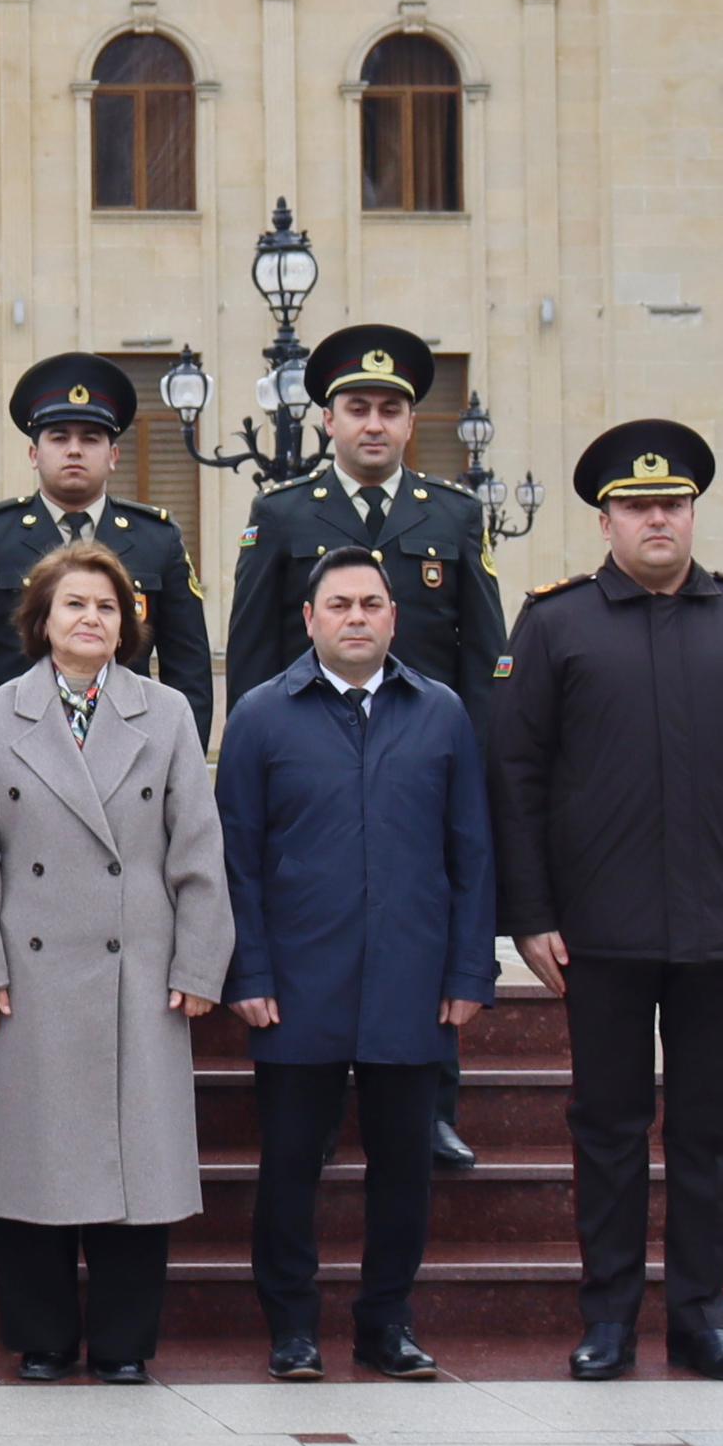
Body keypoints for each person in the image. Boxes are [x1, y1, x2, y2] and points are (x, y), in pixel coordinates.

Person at [491, 421, 723, 1386]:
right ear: (605, 521)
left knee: (710, 1130)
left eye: (671, 505)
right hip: (596, 929)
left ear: (692, 515)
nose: (656, 519)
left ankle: (700, 1318)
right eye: (637, 506)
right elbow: (514, 776)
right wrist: (530, 914)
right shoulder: (555, 624)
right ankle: (607, 1319)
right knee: (606, 1127)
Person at [220, 323, 507, 1172]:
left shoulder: (455, 515)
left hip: (425, 758)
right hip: (307, 752)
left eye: (390, 409)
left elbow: (483, 657)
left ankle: (433, 1110)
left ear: (411, 422)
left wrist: (475, 766)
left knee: (422, 915)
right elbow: (253, 649)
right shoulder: (280, 513)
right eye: (356, 408)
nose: (373, 423)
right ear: (328, 422)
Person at [0, 542, 233, 1383]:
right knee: (31, 1155)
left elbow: (198, 847)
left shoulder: (168, 712)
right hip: (26, 972)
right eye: (75, 604)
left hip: (135, 966)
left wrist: (198, 962)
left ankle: (122, 1344)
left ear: (128, 624)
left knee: (134, 1158)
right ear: (42, 619)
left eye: (108, 607)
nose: (92, 620)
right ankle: (40, 1338)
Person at [215, 547, 495, 1383]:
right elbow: (238, 858)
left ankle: (386, 1325)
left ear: (393, 618)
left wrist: (468, 974)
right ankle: (293, 1330)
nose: (357, 618)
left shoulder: (440, 712)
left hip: (411, 985)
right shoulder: (263, 716)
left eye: (372, 604)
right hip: (298, 985)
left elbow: (471, 852)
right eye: (339, 605)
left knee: (404, 1169)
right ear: (309, 619)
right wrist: (249, 973)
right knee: (291, 1165)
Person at [0, 355, 214, 747]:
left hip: (129, 757)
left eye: (91, 438)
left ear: (114, 456)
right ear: (34, 454)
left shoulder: (157, 540)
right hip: (17, 755)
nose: (75, 450)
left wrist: (177, 767)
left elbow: (189, 671)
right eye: (59, 437)